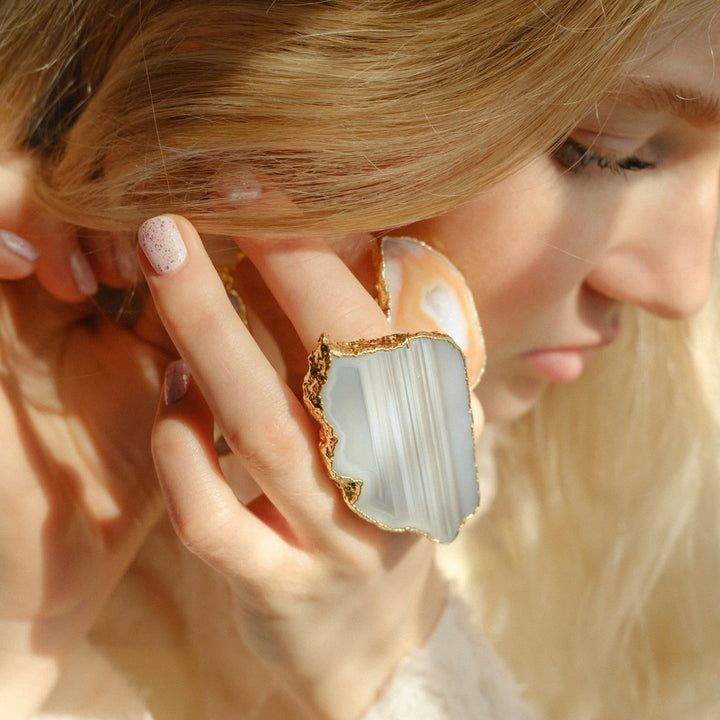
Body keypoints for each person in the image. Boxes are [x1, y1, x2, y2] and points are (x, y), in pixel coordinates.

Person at [0, 0, 718, 718]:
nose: (684, 290)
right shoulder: (52, 441)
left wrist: (383, 661)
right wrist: (21, 640)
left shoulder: (669, 472)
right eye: (609, 149)